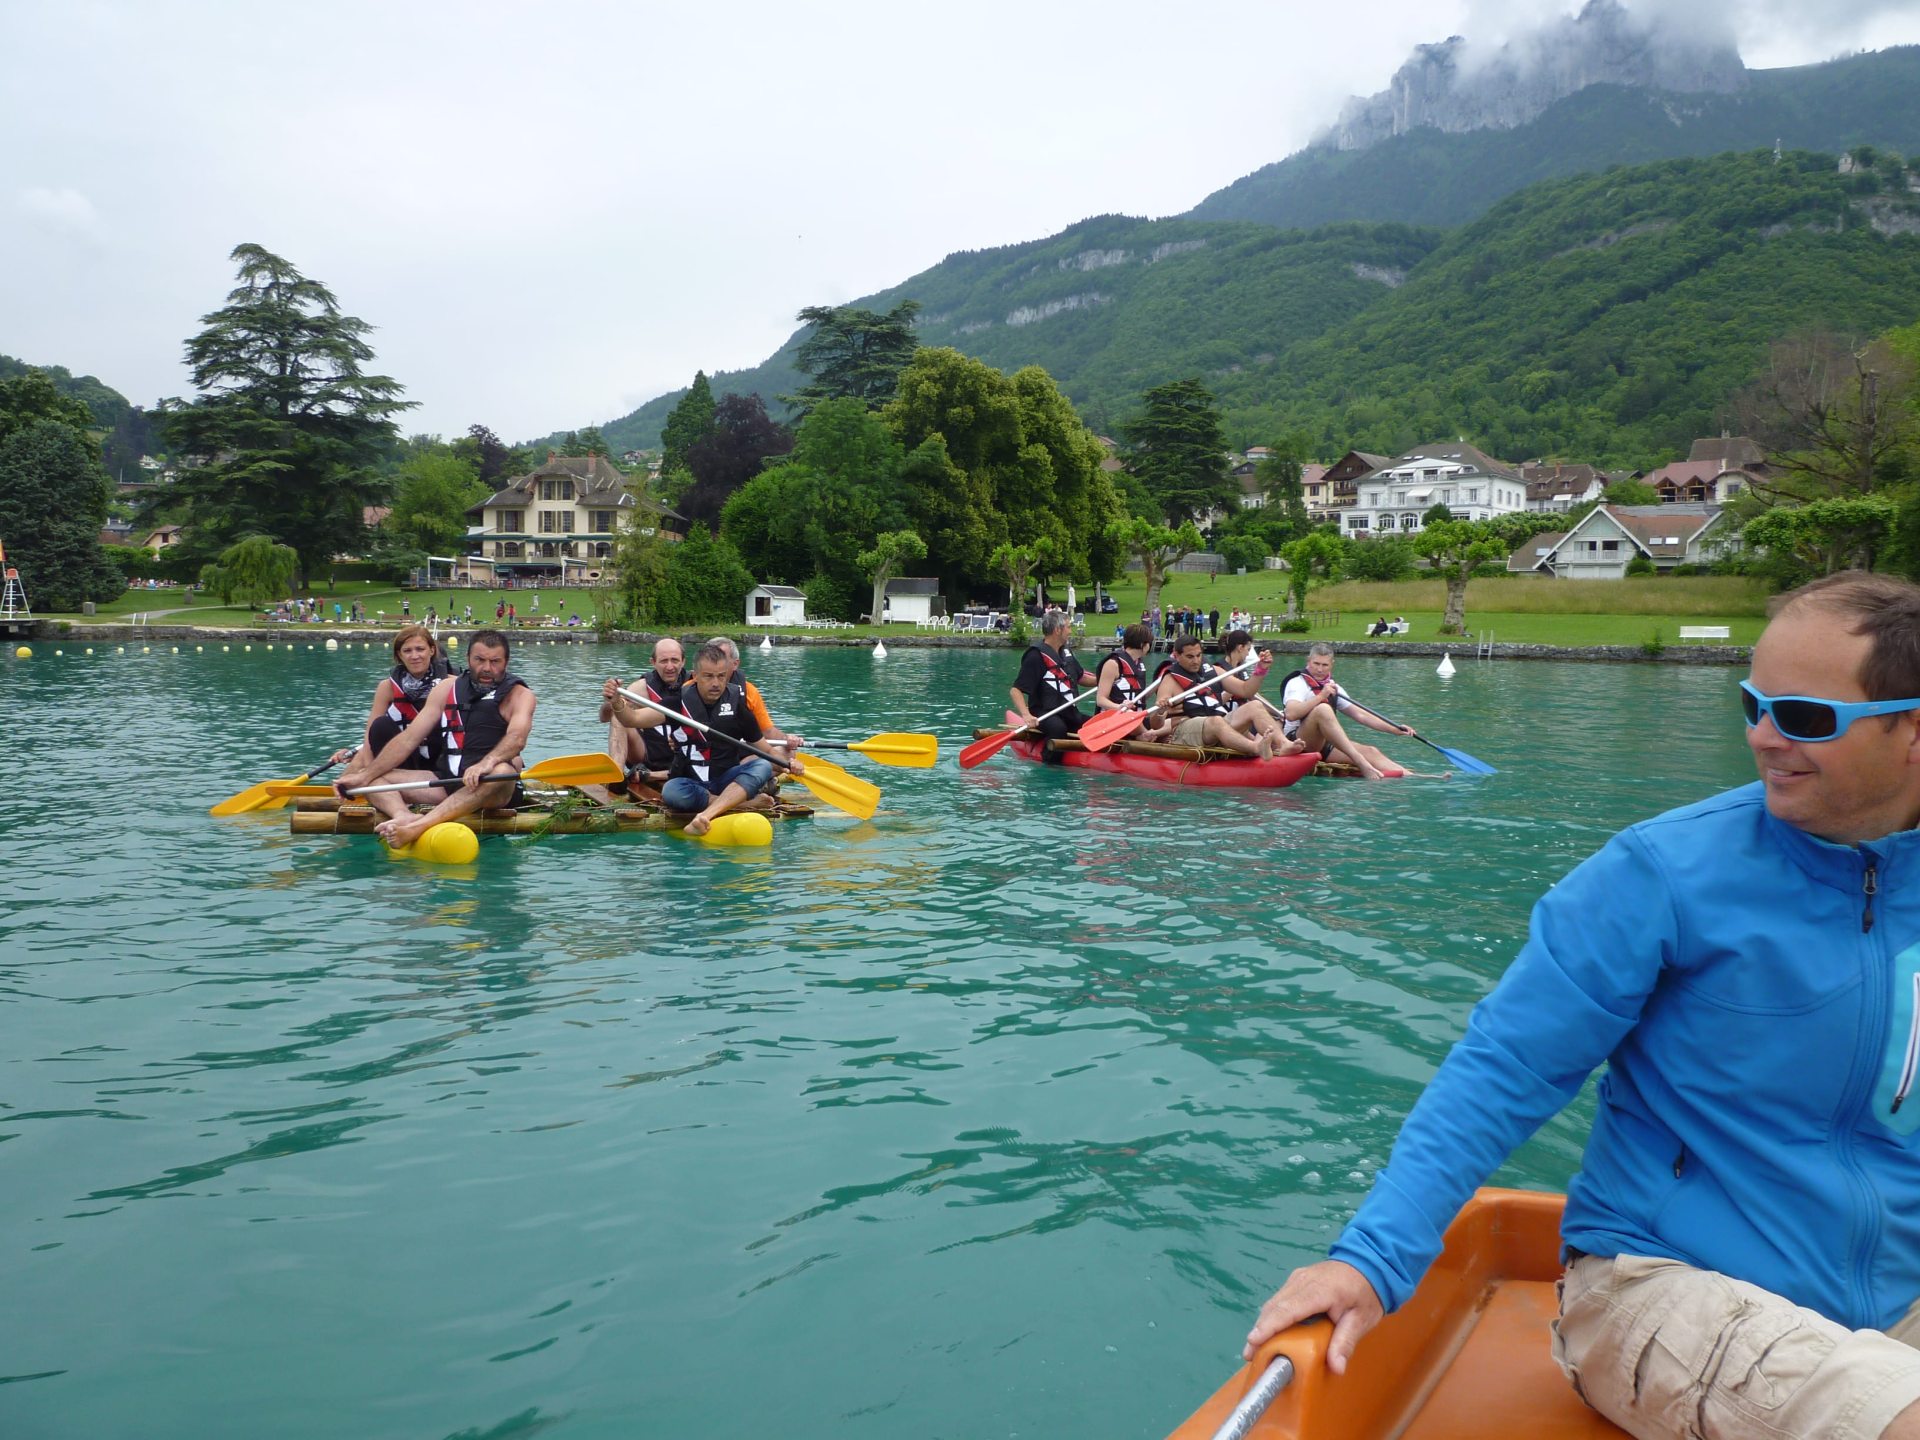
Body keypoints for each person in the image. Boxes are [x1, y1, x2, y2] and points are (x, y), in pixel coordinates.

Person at [1245, 571, 1920, 1440]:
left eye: (1806, 718)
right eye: (1753, 704)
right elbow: (1507, 1067)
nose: (1763, 738)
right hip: (1663, 1283)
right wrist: (1371, 1261)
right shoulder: (1662, 875)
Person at [334, 629, 536, 849]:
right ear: (468, 658)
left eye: (495, 661)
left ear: (506, 662)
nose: (487, 668)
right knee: (372, 778)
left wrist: (487, 763)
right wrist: (363, 777)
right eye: (480, 660)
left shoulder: (520, 695)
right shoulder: (446, 689)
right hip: (448, 781)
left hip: (493, 789)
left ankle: (418, 828)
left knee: (502, 771)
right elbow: (408, 739)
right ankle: (402, 815)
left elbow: (516, 738)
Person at [607, 640, 799, 837]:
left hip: (726, 779)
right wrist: (617, 703)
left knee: (763, 766)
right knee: (671, 791)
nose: (715, 683)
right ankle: (740, 803)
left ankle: (707, 814)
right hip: (691, 782)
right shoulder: (677, 703)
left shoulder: (738, 708)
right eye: (708, 676)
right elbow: (633, 719)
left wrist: (789, 764)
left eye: (721, 676)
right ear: (695, 676)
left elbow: (765, 749)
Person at [1278, 643, 1410, 780]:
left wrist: (1393, 729)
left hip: (1323, 745)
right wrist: (1321, 697)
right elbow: (1291, 714)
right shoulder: (1296, 683)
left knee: (1371, 751)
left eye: (1325, 665)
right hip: (1297, 741)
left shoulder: (1334, 687)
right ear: (1308, 661)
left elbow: (1361, 715)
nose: (1319, 669)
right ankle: (1360, 761)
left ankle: (1414, 777)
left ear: (1332, 664)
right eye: (1316, 664)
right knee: (1323, 709)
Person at [330, 624, 451, 771]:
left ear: (431, 650)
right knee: (380, 726)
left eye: (420, 649)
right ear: (400, 655)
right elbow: (371, 733)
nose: (414, 656)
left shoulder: (451, 683)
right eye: (407, 650)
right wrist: (368, 766)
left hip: (440, 759)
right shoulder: (386, 688)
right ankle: (345, 788)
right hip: (402, 758)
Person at [1153, 635, 1276, 758]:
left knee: (1255, 706)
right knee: (1216, 721)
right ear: (1177, 655)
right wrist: (1160, 712)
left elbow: (1246, 691)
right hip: (1186, 731)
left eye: (1199, 655)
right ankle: (1256, 747)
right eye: (1190, 657)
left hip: (1215, 726)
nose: (1196, 661)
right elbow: (1156, 725)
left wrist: (1261, 670)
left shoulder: (1215, 671)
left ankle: (1285, 745)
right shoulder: (1169, 680)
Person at [595, 637, 687, 800]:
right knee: (618, 717)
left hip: (681, 754)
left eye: (675, 660)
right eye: (664, 661)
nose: (670, 667)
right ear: (653, 662)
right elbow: (604, 718)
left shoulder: (694, 686)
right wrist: (611, 700)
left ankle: (652, 775)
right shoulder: (640, 688)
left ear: (683, 661)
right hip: (648, 752)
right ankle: (616, 774)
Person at [1010, 610, 1095, 762]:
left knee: (1095, 724)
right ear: (1057, 630)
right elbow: (1016, 690)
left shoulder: (1066, 653)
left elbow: (1081, 677)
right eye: (1068, 627)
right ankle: (1048, 766)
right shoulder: (1035, 656)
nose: (1070, 631)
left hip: (1068, 711)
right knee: (1058, 728)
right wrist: (1026, 715)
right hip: (1043, 712)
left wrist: (1105, 681)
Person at [1216, 629, 1304, 754]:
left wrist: (1279, 713)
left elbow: (1253, 696)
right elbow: (1216, 701)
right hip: (1229, 719)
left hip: (1246, 717)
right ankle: (1258, 746)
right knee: (1261, 724)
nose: (1248, 654)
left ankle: (1271, 744)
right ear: (1240, 648)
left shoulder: (1241, 671)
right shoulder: (1219, 670)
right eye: (1248, 649)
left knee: (1277, 720)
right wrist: (1231, 690)